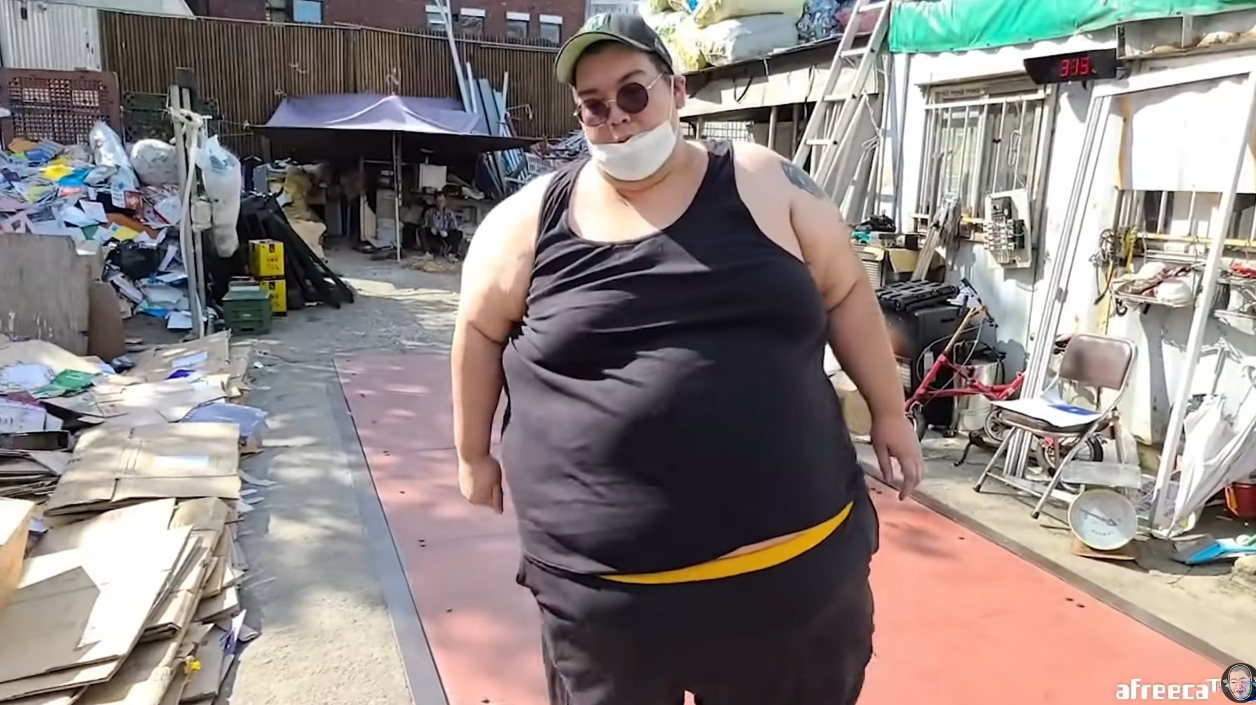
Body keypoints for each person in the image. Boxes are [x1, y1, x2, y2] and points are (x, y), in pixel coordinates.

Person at [451, 12, 923, 705]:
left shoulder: (766, 181)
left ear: (676, 90)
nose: (616, 117)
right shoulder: (526, 221)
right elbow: (477, 330)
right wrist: (472, 453)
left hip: (796, 586)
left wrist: (889, 411)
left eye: (632, 92)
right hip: (611, 610)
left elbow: (847, 290)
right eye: (593, 104)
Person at [423, 192, 463, 256]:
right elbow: (425, 225)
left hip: (445, 234)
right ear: (435, 202)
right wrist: (432, 228)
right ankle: (427, 252)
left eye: (442, 201)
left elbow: (454, 227)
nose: (440, 203)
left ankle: (452, 253)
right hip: (433, 234)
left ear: (445, 202)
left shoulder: (450, 214)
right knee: (422, 230)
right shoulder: (429, 212)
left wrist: (447, 232)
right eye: (438, 201)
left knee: (458, 233)